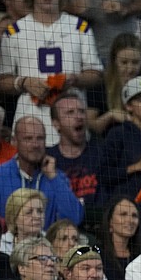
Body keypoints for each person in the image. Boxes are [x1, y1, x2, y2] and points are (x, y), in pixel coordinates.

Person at [0, 0, 103, 147]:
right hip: (31, 119)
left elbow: (97, 74)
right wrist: (24, 82)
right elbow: (0, 80)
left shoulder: (79, 27)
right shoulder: (15, 31)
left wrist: (74, 79)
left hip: (71, 121)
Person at [0, 117, 84, 230]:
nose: (35, 145)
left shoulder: (57, 178)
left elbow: (74, 219)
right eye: (28, 138)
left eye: (40, 138)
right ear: (14, 141)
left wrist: (54, 178)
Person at [48, 91, 103, 224]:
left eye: (81, 111)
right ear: (56, 124)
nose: (78, 117)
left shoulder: (102, 153)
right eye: (70, 113)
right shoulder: (47, 159)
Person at [90, 33, 141, 137]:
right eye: (124, 62)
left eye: (135, 62)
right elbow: (91, 126)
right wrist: (110, 116)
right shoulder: (100, 86)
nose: (130, 69)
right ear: (114, 61)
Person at [99, 197, 141, 280]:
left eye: (134, 216)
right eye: (123, 214)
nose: (130, 220)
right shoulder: (97, 254)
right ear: (110, 222)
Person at [0, 188, 46, 256]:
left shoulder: (52, 241)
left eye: (40, 211)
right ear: (14, 218)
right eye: (29, 212)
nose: (37, 217)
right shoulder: (0, 246)